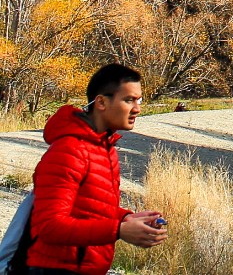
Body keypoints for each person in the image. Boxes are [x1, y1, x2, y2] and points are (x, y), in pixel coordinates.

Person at [27, 63, 168, 275]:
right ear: (101, 102)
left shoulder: (104, 148)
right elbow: (49, 226)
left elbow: (89, 209)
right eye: (128, 100)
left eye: (139, 100)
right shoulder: (69, 151)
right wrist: (119, 230)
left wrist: (125, 219)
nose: (137, 109)